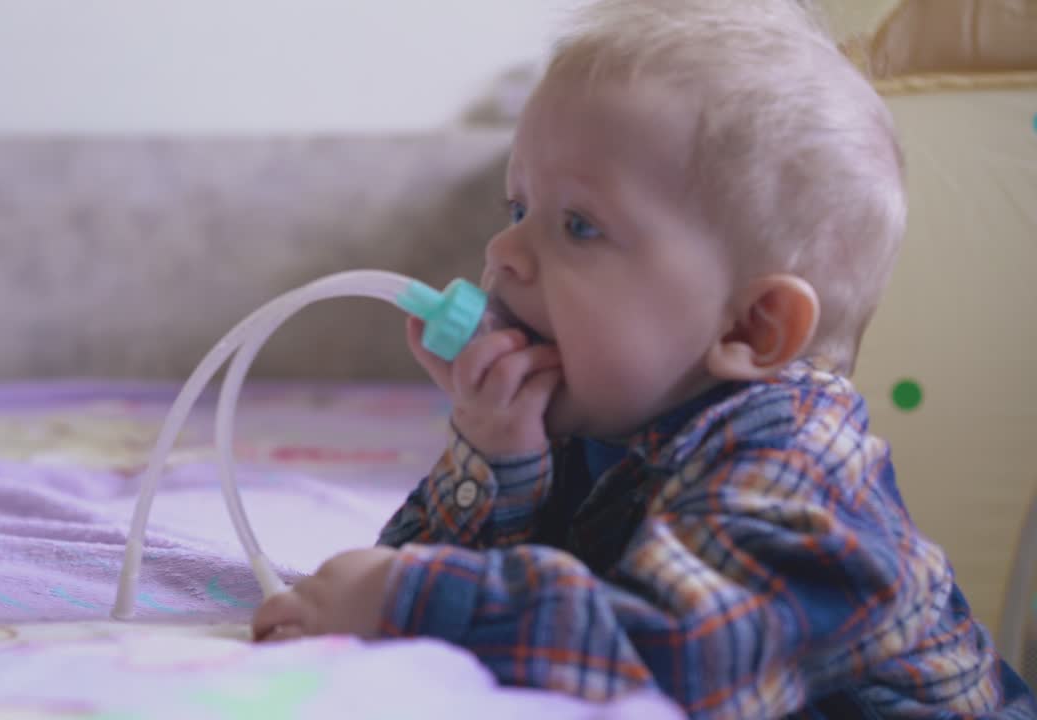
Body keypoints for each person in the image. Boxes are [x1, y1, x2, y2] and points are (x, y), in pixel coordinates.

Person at [252, 1, 1037, 716]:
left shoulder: (799, 466)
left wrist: (412, 597)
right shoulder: (610, 405)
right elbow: (410, 595)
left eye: (580, 226)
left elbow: (677, 656)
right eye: (517, 208)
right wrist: (496, 456)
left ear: (754, 327)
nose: (502, 252)